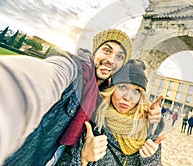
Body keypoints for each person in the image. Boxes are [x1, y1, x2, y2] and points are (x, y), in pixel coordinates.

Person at [0, 29, 162, 165]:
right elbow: (41, 78)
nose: (110, 60)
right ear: (95, 51)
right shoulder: (73, 69)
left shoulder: (105, 102)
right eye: (107, 50)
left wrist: (151, 147)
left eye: (120, 57)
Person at [57, 59, 164, 165]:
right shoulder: (93, 123)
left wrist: (151, 159)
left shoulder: (148, 128)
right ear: (111, 89)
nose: (128, 97)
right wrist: (83, 158)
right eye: (122, 87)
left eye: (136, 91)